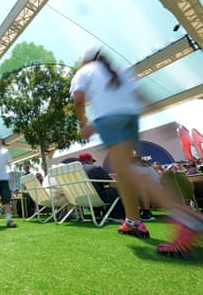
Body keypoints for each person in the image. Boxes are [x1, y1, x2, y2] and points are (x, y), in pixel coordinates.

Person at [71, 47, 203, 255]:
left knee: (127, 172)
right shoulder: (117, 71)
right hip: (130, 119)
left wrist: (84, 122)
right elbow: (140, 95)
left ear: (85, 61)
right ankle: (133, 221)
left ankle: (186, 218)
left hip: (109, 120)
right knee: (125, 174)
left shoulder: (83, 72)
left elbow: (78, 100)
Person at [78, 152, 124, 220]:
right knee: (118, 189)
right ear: (88, 160)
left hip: (81, 199)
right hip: (97, 198)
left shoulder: (75, 171)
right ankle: (113, 215)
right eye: (92, 161)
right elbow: (110, 182)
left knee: (95, 190)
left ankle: (97, 213)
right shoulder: (94, 168)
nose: (93, 163)